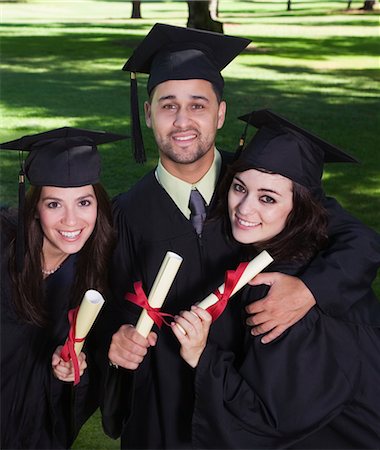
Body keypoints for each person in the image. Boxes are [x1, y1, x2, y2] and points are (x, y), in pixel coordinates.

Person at [101, 23, 380, 449]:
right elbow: (105, 304)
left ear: (221, 113)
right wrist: (116, 338)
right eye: (167, 105)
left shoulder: (264, 182)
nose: (182, 121)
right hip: (163, 413)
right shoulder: (121, 215)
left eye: (198, 105)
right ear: (147, 113)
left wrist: (310, 290)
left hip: (252, 395)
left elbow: (358, 241)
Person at [172, 109, 380, 449]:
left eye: (268, 198)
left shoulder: (280, 297)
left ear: (301, 208)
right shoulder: (307, 249)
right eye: (239, 187)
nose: (244, 208)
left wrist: (201, 355)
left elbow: (267, 422)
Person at [0, 127, 127, 449]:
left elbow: (94, 369)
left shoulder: (96, 272)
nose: (71, 221)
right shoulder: (4, 247)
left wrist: (69, 368)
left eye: (83, 202)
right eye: (54, 204)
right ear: (35, 208)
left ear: (98, 205)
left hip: (33, 428)